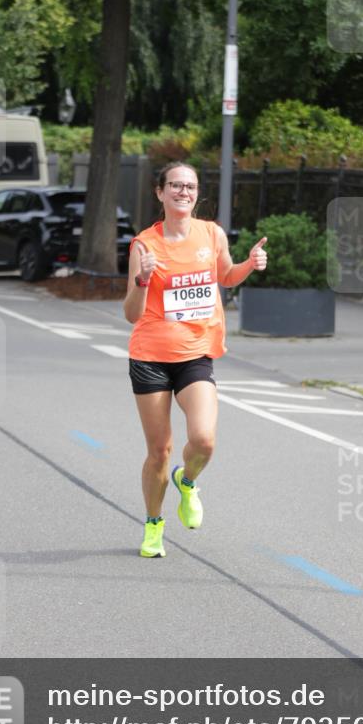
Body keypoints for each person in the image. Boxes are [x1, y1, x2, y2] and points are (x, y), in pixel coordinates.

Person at [124, 161, 268, 558]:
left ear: (196, 193)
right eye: (175, 186)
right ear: (160, 192)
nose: (183, 192)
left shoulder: (211, 233)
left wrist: (250, 266)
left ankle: (187, 481)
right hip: (150, 356)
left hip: (195, 355)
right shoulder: (144, 245)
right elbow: (131, 313)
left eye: (189, 186)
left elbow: (226, 276)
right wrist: (142, 281)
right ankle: (154, 524)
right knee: (159, 451)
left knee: (203, 440)